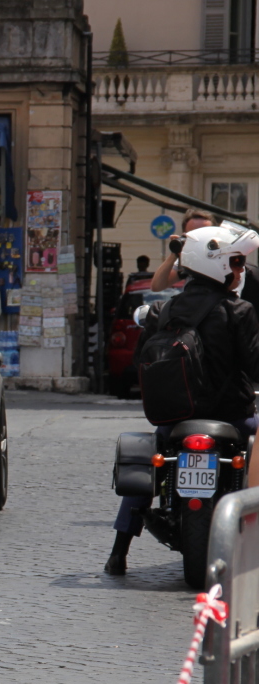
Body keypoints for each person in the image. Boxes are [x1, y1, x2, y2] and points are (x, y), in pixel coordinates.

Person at [105, 223, 259, 575]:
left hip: (176, 419)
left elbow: (139, 361)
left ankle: (118, 551)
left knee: (149, 462)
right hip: (234, 418)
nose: (239, 271)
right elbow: (255, 364)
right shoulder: (239, 312)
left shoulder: (164, 311)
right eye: (236, 262)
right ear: (218, 265)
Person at [149, 209, 219, 292]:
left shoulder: (225, 256)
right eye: (194, 235)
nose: (200, 240)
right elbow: (157, 286)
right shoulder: (188, 261)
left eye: (205, 234)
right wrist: (175, 253)